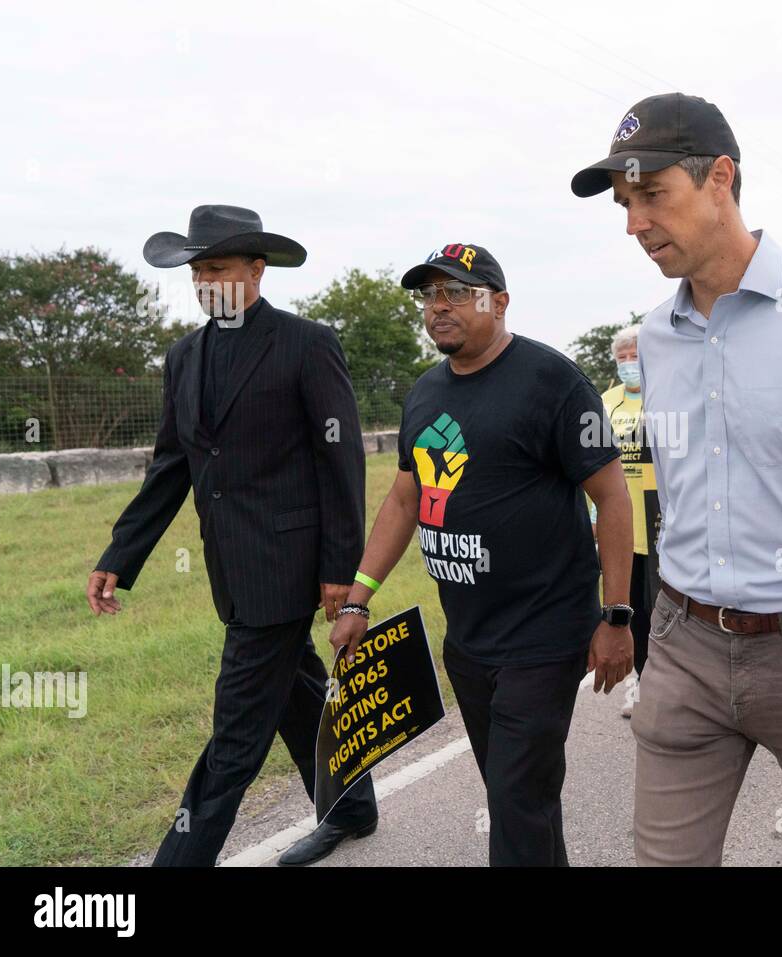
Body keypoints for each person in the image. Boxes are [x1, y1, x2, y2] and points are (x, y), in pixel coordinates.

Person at [572, 93, 782, 866]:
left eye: (652, 194)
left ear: (720, 178)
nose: (634, 223)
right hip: (685, 644)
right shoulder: (655, 337)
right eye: (625, 204)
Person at [85, 204, 378, 866]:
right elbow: (171, 468)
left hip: (288, 566)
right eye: (196, 270)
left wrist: (342, 569)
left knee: (234, 736)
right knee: (297, 696)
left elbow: (342, 461)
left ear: (256, 269)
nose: (204, 280)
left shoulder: (307, 343)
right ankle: (352, 806)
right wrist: (120, 555)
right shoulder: (183, 358)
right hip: (230, 567)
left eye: (216, 267)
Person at [326, 242, 634, 866]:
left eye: (457, 294)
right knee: (517, 794)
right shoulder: (425, 393)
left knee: (516, 798)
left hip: (544, 634)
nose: (439, 308)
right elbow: (405, 501)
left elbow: (613, 497)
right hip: (467, 639)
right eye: (430, 296)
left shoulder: (554, 381)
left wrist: (618, 615)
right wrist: (359, 597)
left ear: (498, 302)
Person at [588, 324, 655, 719]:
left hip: (661, 526)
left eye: (636, 356)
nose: (629, 364)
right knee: (629, 612)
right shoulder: (605, 403)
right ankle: (637, 684)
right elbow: (591, 469)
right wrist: (595, 519)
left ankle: (670, 685)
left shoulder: (664, 398)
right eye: (623, 358)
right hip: (620, 530)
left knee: (664, 610)